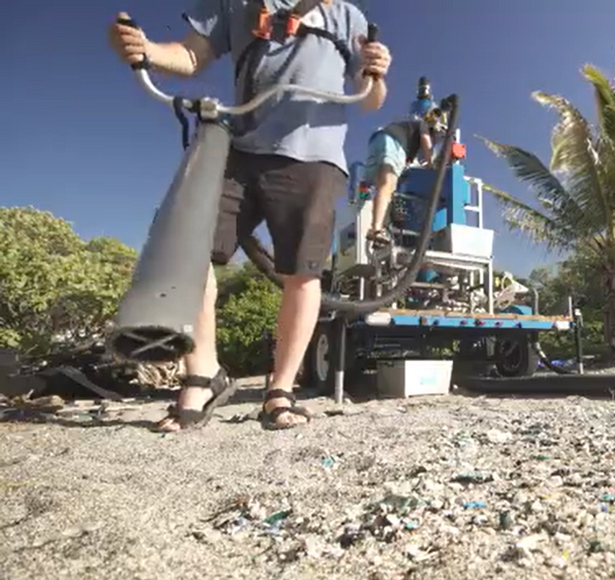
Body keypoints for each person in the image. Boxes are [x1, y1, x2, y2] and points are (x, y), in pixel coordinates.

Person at [107, 0, 392, 432]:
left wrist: (377, 72)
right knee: (189, 252)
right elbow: (188, 56)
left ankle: (280, 390)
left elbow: (369, 98)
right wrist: (144, 48)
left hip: (314, 156)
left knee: (302, 272)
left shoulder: (346, 16)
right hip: (237, 147)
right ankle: (202, 376)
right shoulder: (234, 4)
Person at [364, 107, 448, 247]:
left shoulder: (411, 137)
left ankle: (378, 229)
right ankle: (376, 229)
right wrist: (432, 166)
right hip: (394, 142)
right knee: (388, 184)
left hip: (376, 142)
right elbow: (426, 144)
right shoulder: (424, 126)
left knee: (383, 188)